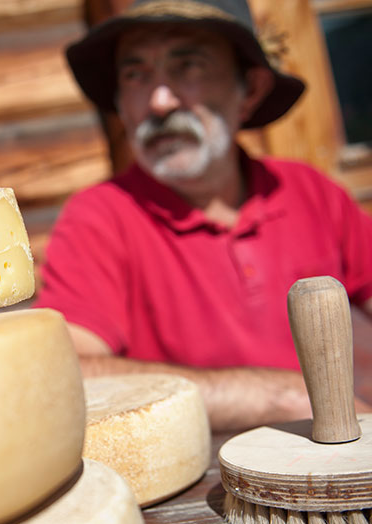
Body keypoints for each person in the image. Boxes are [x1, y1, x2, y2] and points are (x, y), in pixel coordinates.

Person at [33, 0, 372, 431]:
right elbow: (70, 374)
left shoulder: (308, 191)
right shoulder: (100, 215)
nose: (158, 101)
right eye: (135, 74)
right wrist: (279, 397)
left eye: (187, 65)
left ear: (249, 90)